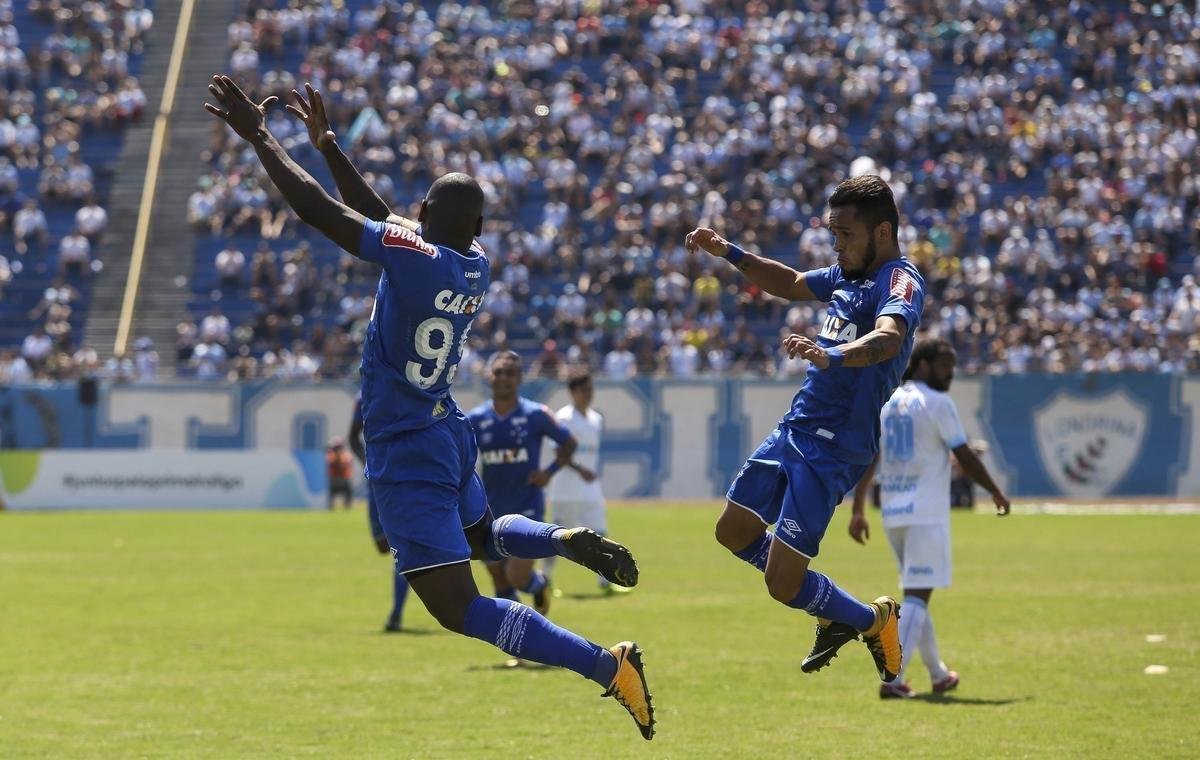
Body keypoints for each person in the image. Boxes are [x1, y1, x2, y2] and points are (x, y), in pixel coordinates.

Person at [206, 76, 654, 739]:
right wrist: (328, 148)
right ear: (478, 227)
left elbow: (322, 213)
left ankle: (604, 665)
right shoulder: (477, 264)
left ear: (424, 212)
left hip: (405, 445)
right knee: (483, 538)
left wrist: (260, 137)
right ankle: (557, 539)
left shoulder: (413, 257)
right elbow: (381, 218)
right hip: (448, 429)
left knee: (456, 607)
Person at [685, 174, 925, 685]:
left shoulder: (899, 280)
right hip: (796, 428)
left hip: (834, 448)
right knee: (732, 531)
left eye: (845, 234)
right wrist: (729, 252)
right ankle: (842, 613)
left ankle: (870, 620)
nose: (837, 245)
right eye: (833, 234)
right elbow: (791, 282)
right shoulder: (845, 274)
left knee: (781, 585)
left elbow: (888, 338)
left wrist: (831, 356)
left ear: (882, 232)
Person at [848, 337, 1011, 698]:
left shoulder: (889, 402)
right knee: (918, 596)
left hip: (894, 512)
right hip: (925, 513)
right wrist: (995, 491)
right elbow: (964, 455)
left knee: (916, 594)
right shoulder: (937, 403)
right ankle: (892, 679)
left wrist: (858, 508)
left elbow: (871, 456)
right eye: (944, 366)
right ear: (923, 364)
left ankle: (937, 674)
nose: (950, 374)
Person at [467, 351, 575, 620]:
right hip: (489, 511)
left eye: (510, 373)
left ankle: (538, 584)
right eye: (498, 372)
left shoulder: (536, 414)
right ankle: (518, 638)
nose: (503, 378)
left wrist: (548, 472)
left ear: (519, 378)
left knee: (516, 575)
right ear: (489, 376)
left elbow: (569, 442)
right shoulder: (475, 419)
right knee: (499, 580)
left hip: (527, 508)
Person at [543, 369, 627, 595]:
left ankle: (606, 581)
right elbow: (559, 451)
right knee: (559, 537)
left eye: (590, 389)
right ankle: (545, 579)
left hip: (590, 487)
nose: (588, 394)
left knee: (600, 532)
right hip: (566, 488)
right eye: (583, 390)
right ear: (572, 392)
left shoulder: (595, 418)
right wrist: (579, 469)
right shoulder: (564, 417)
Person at [350, 393, 409, 633]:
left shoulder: (408, 389)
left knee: (401, 546)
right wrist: (367, 462)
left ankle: (396, 613)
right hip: (377, 480)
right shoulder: (364, 397)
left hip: (405, 478)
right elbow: (352, 436)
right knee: (383, 545)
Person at [325, 437, 354, 511]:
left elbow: (345, 465)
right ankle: (331, 508)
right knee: (331, 494)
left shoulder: (346, 455)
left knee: (349, 491)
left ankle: (347, 507)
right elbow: (332, 462)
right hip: (334, 479)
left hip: (344, 479)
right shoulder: (331, 455)